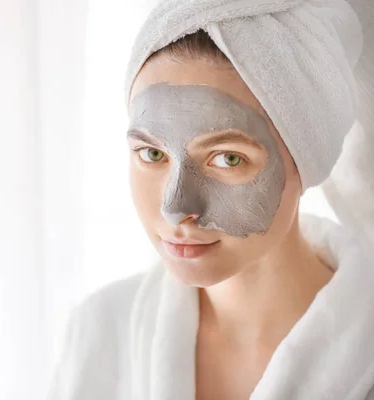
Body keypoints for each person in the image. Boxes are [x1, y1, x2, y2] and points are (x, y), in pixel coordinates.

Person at [48, 1, 374, 399]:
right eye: (152, 154)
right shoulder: (99, 333)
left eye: (228, 158)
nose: (175, 207)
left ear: (308, 158)